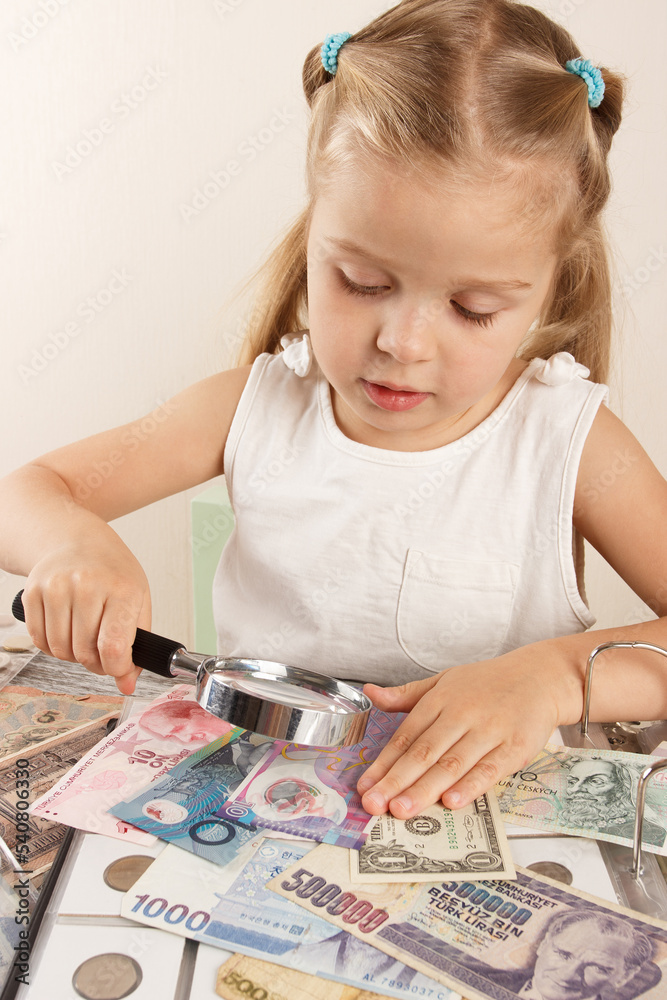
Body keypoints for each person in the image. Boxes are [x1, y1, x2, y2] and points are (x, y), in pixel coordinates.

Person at [1, 0, 666, 823]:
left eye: (473, 306)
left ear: (549, 288)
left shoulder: (568, 439)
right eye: (362, 284)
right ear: (314, 237)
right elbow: (25, 491)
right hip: (250, 810)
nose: (403, 342)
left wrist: (555, 677)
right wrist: (72, 542)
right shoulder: (254, 404)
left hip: (483, 822)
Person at [454, 909, 661, 1000]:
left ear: (626, 975)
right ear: (544, 945)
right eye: (563, 954)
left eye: (598, 967)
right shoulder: (464, 974)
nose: (568, 974)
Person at [560, 757, 665, 847]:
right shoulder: (566, 822)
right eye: (572, 781)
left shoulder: (646, 831)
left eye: (596, 781)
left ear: (623, 788)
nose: (575, 789)